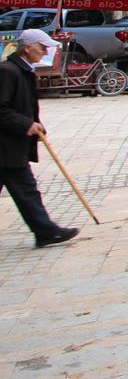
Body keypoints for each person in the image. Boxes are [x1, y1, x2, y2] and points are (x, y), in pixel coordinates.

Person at [0, 29, 79, 247]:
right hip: (6, 146)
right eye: (42, 47)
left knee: (26, 189)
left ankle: (45, 231)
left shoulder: (22, 70)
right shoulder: (8, 71)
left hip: (11, 143)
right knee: (26, 190)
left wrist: (35, 123)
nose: (45, 51)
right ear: (28, 47)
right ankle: (46, 231)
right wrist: (26, 124)